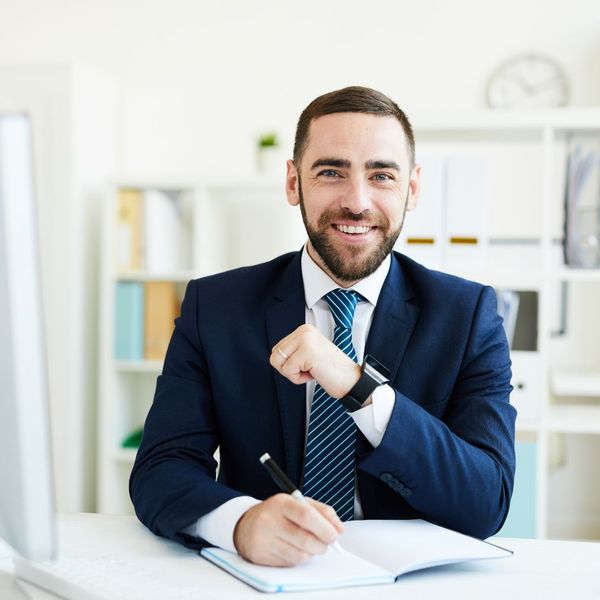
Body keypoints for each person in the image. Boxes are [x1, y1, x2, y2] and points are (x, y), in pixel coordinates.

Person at [130, 86, 516, 568]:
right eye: (331, 172)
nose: (357, 202)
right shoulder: (216, 307)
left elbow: (487, 502)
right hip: (262, 579)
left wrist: (359, 388)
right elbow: (160, 470)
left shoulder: (468, 314)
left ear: (412, 189)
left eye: (382, 175)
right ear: (293, 183)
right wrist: (240, 523)